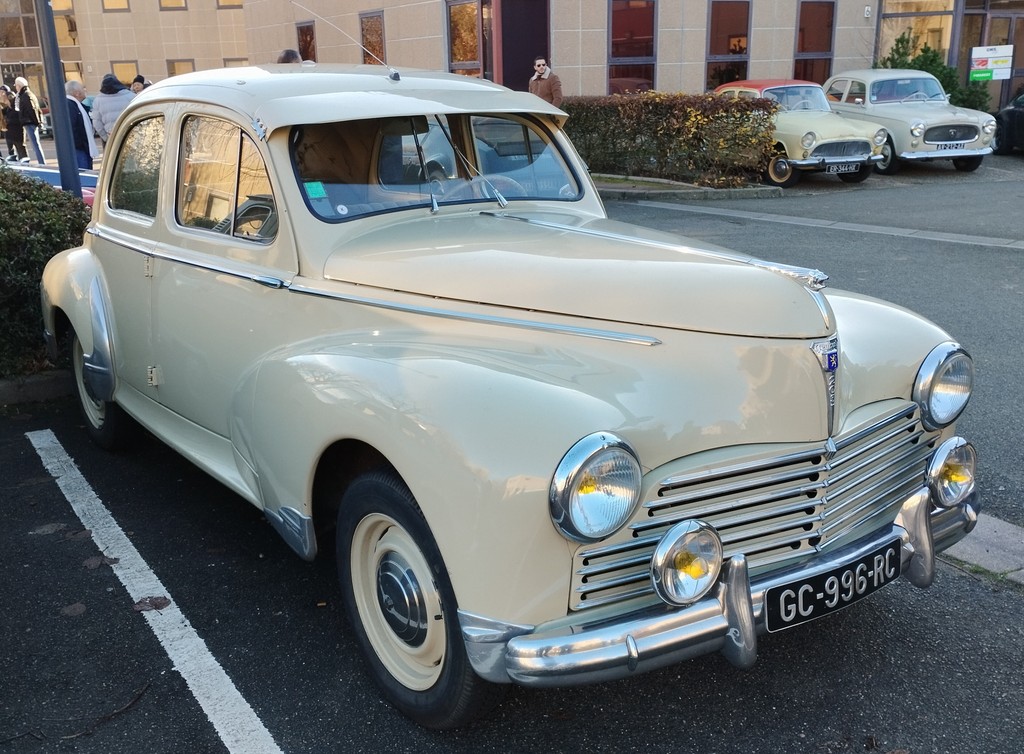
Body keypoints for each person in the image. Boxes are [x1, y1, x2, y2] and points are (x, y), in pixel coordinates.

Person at [90, 74, 135, 146]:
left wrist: (106, 138)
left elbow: (97, 123)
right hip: (129, 134)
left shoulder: (98, 100)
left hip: (111, 136)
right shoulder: (131, 96)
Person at [66, 80, 99, 170]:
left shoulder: (76, 105)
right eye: (83, 89)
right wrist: (81, 144)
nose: (85, 91)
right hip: (79, 149)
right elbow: (72, 128)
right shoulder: (70, 105)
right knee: (84, 173)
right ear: (77, 93)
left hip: (82, 147)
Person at [13, 77, 45, 164]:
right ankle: (41, 162)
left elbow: (32, 109)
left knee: (35, 145)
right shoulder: (28, 94)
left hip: (29, 122)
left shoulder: (25, 95)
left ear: (19, 86)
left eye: (16, 86)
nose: (16, 88)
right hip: (30, 122)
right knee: (35, 144)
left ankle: (42, 163)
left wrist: (36, 122)